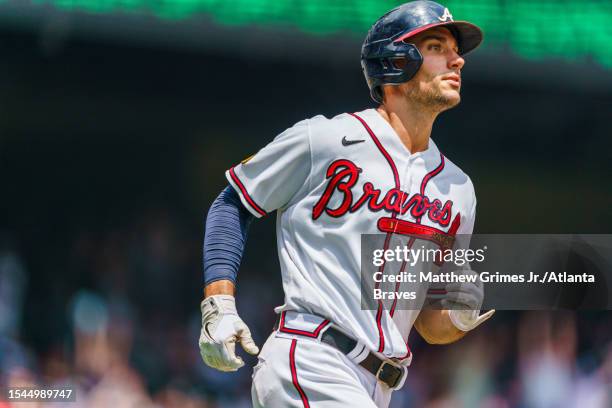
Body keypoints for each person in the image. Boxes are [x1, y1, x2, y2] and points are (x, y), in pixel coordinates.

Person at [199, 1, 494, 407]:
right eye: (436, 46)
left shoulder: (458, 188)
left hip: (380, 385)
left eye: (454, 50)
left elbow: (429, 323)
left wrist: (458, 316)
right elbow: (234, 202)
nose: (457, 60)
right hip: (312, 358)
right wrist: (219, 303)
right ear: (396, 60)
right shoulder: (325, 140)